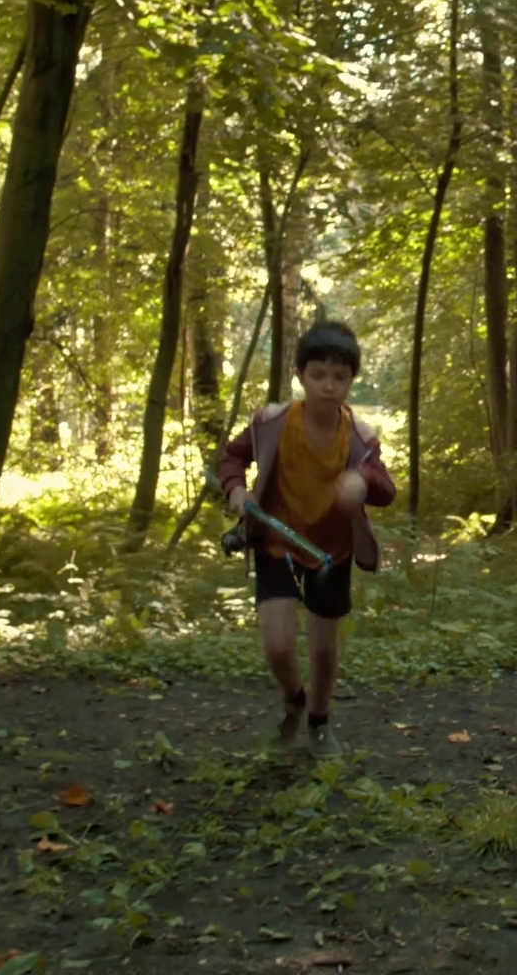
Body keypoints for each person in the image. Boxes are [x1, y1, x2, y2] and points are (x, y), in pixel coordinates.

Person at [219, 320, 396, 758]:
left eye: (339, 377)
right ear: (300, 375)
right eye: (318, 375)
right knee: (278, 645)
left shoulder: (359, 437)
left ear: (351, 381)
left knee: (322, 649)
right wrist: (236, 491)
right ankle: (293, 699)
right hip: (276, 542)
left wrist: (362, 483)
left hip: (332, 552)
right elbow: (233, 456)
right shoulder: (272, 423)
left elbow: (386, 488)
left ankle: (319, 720)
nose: (328, 386)